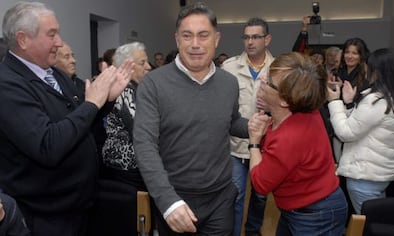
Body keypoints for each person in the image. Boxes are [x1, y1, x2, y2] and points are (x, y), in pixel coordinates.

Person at [0, 2, 134, 236]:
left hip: (78, 207)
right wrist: (93, 103)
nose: (59, 42)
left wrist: (105, 102)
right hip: (45, 216)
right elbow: (48, 145)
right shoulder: (7, 84)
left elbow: (79, 124)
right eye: (51, 34)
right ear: (22, 40)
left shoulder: (55, 74)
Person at [133, 2, 249, 235]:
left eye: (203, 35)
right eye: (187, 36)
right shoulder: (154, 84)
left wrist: (254, 126)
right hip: (176, 200)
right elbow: (144, 145)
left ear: (216, 39)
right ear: (177, 40)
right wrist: (168, 202)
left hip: (220, 199)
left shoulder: (229, 83)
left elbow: (231, 121)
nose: (195, 44)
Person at [248, 52, 348, 235]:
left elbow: (260, 184)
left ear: (285, 100)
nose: (262, 78)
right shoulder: (305, 109)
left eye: (268, 80)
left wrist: (254, 142)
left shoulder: (289, 137)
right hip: (303, 207)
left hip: (315, 214)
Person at [327, 48, 394, 214]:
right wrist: (349, 104)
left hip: (365, 175)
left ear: (378, 71)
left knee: (369, 225)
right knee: (377, 222)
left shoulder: (376, 100)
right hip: (380, 172)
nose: (366, 70)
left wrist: (335, 102)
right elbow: (363, 125)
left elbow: (346, 133)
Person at [221, 17, 274, 236]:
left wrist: (271, 105)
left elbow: (289, 107)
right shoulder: (229, 67)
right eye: (246, 37)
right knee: (236, 195)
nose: (250, 42)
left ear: (267, 39)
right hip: (235, 145)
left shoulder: (278, 68)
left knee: (260, 197)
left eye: (255, 37)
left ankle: (253, 231)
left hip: (265, 146)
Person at [102, 41, 151, 188]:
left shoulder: (137, 88)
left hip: (131, 165)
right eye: (143, 63)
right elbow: (142, 129)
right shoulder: (124, 90)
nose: (148, 67)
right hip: (126, 166)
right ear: (127, 65)